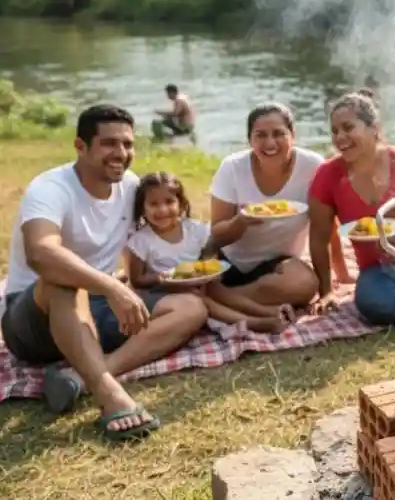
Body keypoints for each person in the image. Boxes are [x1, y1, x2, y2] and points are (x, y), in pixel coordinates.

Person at [0, 106, 207, 440]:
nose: (121, 153)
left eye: (127, 144)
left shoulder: (131, 187)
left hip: (98, 311)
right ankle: (108, 394)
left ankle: (81, 377)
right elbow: (42, 253)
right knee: (64, 281)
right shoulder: (50, 189)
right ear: (80, 146)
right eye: (109, 143)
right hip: (33, 322)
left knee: (191, 308)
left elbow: (160, 238)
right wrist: (113, 286)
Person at [307, 90, 395, 325]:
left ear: (374, 127)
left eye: (348, 128)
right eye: (335, 131)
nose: (340, 137)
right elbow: (319, 236)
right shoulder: (327, 175)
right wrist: (326, 291)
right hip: (379, 272)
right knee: (371, 300)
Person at [126, 172, 290, 332]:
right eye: (154, 204)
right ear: (142, 209)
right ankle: (256, 323)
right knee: (200, 298)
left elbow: (209, 250)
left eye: (169, 202)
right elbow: (137, 281)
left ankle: (266, 311)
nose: (162, 210)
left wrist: (207, 270)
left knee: (216, 289)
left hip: (197, 282)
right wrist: (164, 278)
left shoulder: (194, 229)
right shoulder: (141, 240)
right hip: (163, 291)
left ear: (181, 204)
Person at [205, 103, 323, 321]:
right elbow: (216, 234)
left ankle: (218, 300)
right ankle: (232, 302)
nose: (270, 143)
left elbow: (325, 227)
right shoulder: (232, 167)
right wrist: (240, 222)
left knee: (306, 284)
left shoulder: (313, 166)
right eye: (260, 135)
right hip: (230, 264)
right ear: (249, 139)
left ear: (293, 135)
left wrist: (328, 289)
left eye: (279, 133)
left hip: (278, 266)